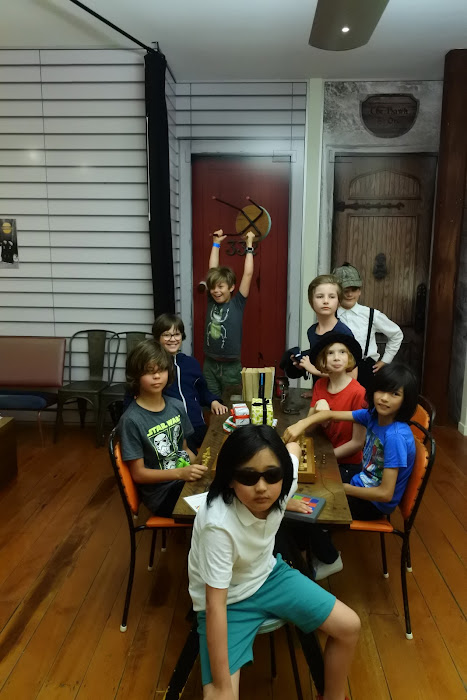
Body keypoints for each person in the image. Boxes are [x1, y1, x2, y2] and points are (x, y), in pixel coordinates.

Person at [188, 424, 360, 700]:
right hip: (228, 600)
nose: (262, 488)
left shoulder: (283, 484)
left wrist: (293, 443)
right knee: (221, 696)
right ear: (230, 478)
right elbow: (215, 605)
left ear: (284, 475)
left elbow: (292, 450)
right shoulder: (217, 525)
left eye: (272, 475)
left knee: (349, 626)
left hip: (268, 575)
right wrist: (222, 687)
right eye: (248, 476)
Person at [284, 363, 417, 581]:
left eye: (395, 394)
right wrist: (302, 424)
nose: (384, 398)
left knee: (306, 507)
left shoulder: (395, 437)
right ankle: (306, 550)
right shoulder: (372, 416)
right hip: (361, 481)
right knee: (307, 488)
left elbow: (385, 494)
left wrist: (342, 488)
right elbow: (329, 414)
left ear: (406, 400)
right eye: (381, 390)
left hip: (374, 503)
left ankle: (329, 558)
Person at [118, 339, 208, 517]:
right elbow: (138, 474)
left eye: (162, 370)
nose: (157, 376)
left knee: (229, 491)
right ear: (135, 376)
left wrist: (201, 468)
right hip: (161, 495)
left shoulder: (176, 406)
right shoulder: (131, 420)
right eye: (149, 371)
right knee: (217, 508)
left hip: (183, 479)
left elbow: (184, 449)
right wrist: (181, 473)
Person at [153, 313, 228, 451]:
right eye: (166, 335)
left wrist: (213, 401)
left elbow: (202, 390)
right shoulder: (154, 368)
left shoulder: (191, 363)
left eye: (176, 334)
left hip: (197, 425)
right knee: (192, 460)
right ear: (158, 337)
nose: (172, 339)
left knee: (221, 448)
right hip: (173, 429)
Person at [301, 333, 367, 479]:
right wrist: (318, 406)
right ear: (323, 360)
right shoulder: (320, 385)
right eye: (330, 353)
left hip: (346, 465)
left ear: (349, 358)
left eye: (342, 352)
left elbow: (357, 443)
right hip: (324, 452)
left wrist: (325, 456)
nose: (336, 358)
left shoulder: (358, 393)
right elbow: (309, 428)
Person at [332, 263, 403, 390]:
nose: (349, 294)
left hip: (365, 370)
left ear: (359, 291)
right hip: (337, 370)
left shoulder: (371, 315)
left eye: (354, 289)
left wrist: (385, 360)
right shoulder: (330, 315)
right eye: (345, 290)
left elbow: (396, 334)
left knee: (364, 401)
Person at [203, 229, 255, 395]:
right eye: (213, 287)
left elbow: (248, 274)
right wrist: (216, 243)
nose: (216, 291)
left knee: (232, 403)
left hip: (231, 367)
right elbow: (212, 270)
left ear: (231, 287)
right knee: (212, 402)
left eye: (221, 287)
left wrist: (249, 245)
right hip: (210, 364)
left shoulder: (237, 303)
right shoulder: (211, 300)